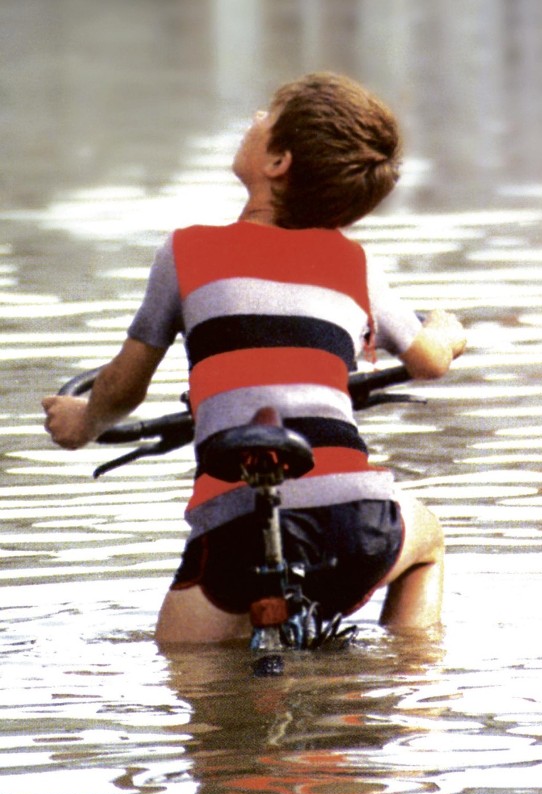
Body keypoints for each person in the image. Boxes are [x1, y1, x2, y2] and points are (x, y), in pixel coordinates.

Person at [42, 72, 466, 644]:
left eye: (266, 115)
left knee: (184, 663)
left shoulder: (186, 250)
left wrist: (84, 419)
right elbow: (430, 360)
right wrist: (445, 327)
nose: (253, 120)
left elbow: (123, 388)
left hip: (236, 523)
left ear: (278, 164)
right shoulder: (354, 264)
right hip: (352, 516)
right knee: (429, 541)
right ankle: (408, 685)